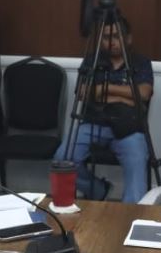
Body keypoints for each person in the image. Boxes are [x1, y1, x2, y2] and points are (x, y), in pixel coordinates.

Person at [57, 17, 154, 203]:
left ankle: (130, 220)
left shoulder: (140, 62)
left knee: (137, 170)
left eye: (117, 36)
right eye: (107, 37)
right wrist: (124, 96)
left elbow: (143, 93)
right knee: (62, 159)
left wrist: (103, 89)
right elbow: (83, 93)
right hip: (93, 123)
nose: (112, 42)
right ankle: (98, 190)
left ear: (128, 39)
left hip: (129, 128)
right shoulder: (92, 61)